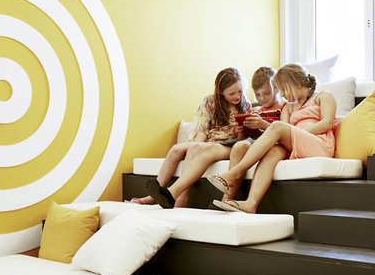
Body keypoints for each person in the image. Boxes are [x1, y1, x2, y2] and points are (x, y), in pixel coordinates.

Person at [208, 63, 336, 214]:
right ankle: (251, 203)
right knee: (273, 151)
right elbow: (284, 133)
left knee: (277, 126)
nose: (283, 95)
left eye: (284, 89)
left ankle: (233, 174)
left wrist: (297, 132)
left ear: (297, 83)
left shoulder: (323, 96)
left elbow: (327, 123)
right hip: (296, 145)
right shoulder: (289, 107)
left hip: (319, 143)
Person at [132, 67, 251, 208]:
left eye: (240, 91)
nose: (237, 96)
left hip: (228, 144)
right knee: (176, 149)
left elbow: (242, 139)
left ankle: (182, 198)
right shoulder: (210, 102)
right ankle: (154, 195)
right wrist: (195, 145)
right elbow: (202, 130)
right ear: (220, 91)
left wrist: (241, 130)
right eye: (232, 93)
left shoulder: (245, 105)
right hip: (209, 141)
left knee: (195, 147)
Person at [217, 66, 285, 206]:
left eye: (266, 93)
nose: (262, 98)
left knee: (246, 145)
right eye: (257, 95)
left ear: (277, 88)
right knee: (239, 145)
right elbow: (243, 138)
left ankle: (231, 179)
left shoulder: (284, 107)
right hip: (253, 143)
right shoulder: (255, 110)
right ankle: (226, 200)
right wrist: (242, 130)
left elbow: (286, 130)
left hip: (274, 145)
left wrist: (263, 124)